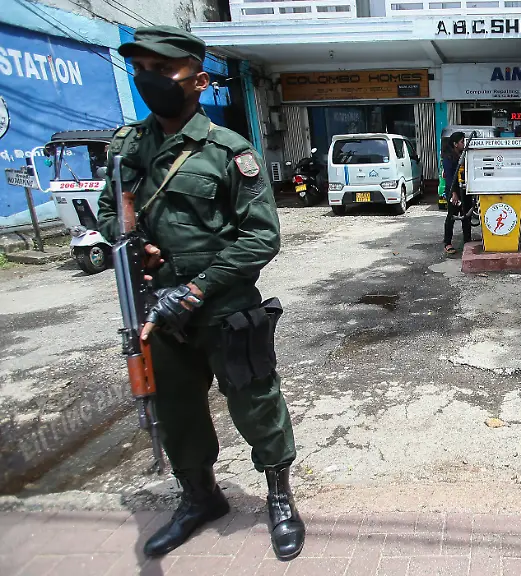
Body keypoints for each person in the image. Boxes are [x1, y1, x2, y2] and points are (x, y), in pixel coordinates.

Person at [96, 26, 305, 560]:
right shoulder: (127, 146)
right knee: (177, 410)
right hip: (156, 312)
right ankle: (200, 497)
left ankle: (279, 497)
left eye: (164, 69)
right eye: (142, 70)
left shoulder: (228, 151)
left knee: (256, 403)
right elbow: (107, 213)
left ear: (199, 80)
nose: (150, 79)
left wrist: (195, 289)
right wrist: (133, 242)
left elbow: (261, 237)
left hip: (224, 309)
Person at [443, 131, 471, 254]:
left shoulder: (464, 155)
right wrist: (454, 193)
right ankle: (447, 243)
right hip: (454, 191)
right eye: (462, 142)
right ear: (455, 144)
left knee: (466, 216)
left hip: (465, 189)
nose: (464, 144)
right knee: (451, 216)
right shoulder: (448, 157)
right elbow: (449, 177)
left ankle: (467, 241)